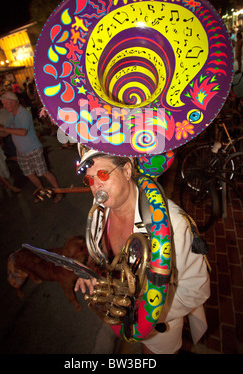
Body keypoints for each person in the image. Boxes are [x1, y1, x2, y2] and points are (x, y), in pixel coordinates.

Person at [74, 148, 210, 354]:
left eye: (103, 175)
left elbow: (195, 290)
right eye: (89, 180)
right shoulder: (99, 211)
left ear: (127, 170)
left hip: (161, 323)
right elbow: (102, 256)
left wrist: (142, 312)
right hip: (121, 314)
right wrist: (91, 273)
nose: (96, 186)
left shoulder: (173, 224)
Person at [0, 91, 61, 202]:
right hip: (21, 151)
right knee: (29, 174)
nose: (4, 106)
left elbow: (23, 132)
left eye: (5, 103)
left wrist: (1, 128)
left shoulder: (24, 113)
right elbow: (6, 133)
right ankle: (42, 191)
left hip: (33, 149)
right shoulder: (10, 116)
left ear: (13, 102)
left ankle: (59, 192)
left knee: (43, 172)